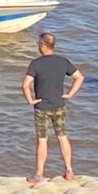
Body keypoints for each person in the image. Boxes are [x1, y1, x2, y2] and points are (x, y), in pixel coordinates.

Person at [22, 31, 82, 185]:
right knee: (63, 136)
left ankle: (39, 174)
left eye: (38, 43)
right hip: (59, 105)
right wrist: (69, 94)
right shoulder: (63, 61)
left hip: (41, 107)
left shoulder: (36, 64)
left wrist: (30, 100)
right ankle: (69, 170)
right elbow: (79, 77)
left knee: (42, 140)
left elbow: (25, 85)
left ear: (42, 45)